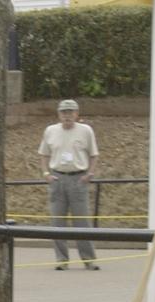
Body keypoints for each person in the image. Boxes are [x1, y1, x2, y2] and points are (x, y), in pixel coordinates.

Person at [38, 98, 101, 271]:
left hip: (78, 178)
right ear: (59, 114)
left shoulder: (85, 130)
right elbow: (44, 154)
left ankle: (88, 259)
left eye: (71, 112)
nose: (67, 115)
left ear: (77, 114)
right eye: (64, 112)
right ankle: (61, 260)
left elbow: (94, 154)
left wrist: (90, 173)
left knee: (82, 221)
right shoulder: (50, 130)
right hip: (57, 178)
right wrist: (46, 174)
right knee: (57, 221)